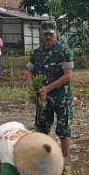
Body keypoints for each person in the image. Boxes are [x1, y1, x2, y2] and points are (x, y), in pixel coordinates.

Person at [25, 27, 74, 161]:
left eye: (50, 34)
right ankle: (45, 159)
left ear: (56, 34)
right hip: (43, 98)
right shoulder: (36, 53)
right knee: (42, 128)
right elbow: (29, 71)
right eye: (46, 34)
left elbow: (68, 75)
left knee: (63, 130)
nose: (48, 37)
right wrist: (33, 87)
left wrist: (48, 88)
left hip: (62, 97)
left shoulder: (65, 52)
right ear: (42, 35)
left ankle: (64, 161)